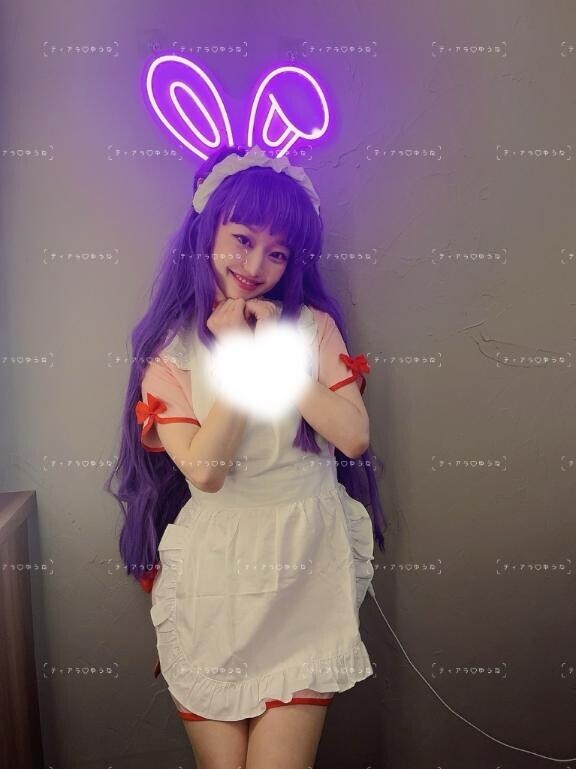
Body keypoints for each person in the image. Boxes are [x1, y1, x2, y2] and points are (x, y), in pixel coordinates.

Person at [106, 143, 388, 769]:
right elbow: (205, 472)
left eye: (278, 252)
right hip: (214, 579)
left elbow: (353, 436)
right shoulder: (169, 353)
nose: (256, 265)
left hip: (304, 565)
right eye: (242, 239)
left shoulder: (311, 328)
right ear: (206, 230)